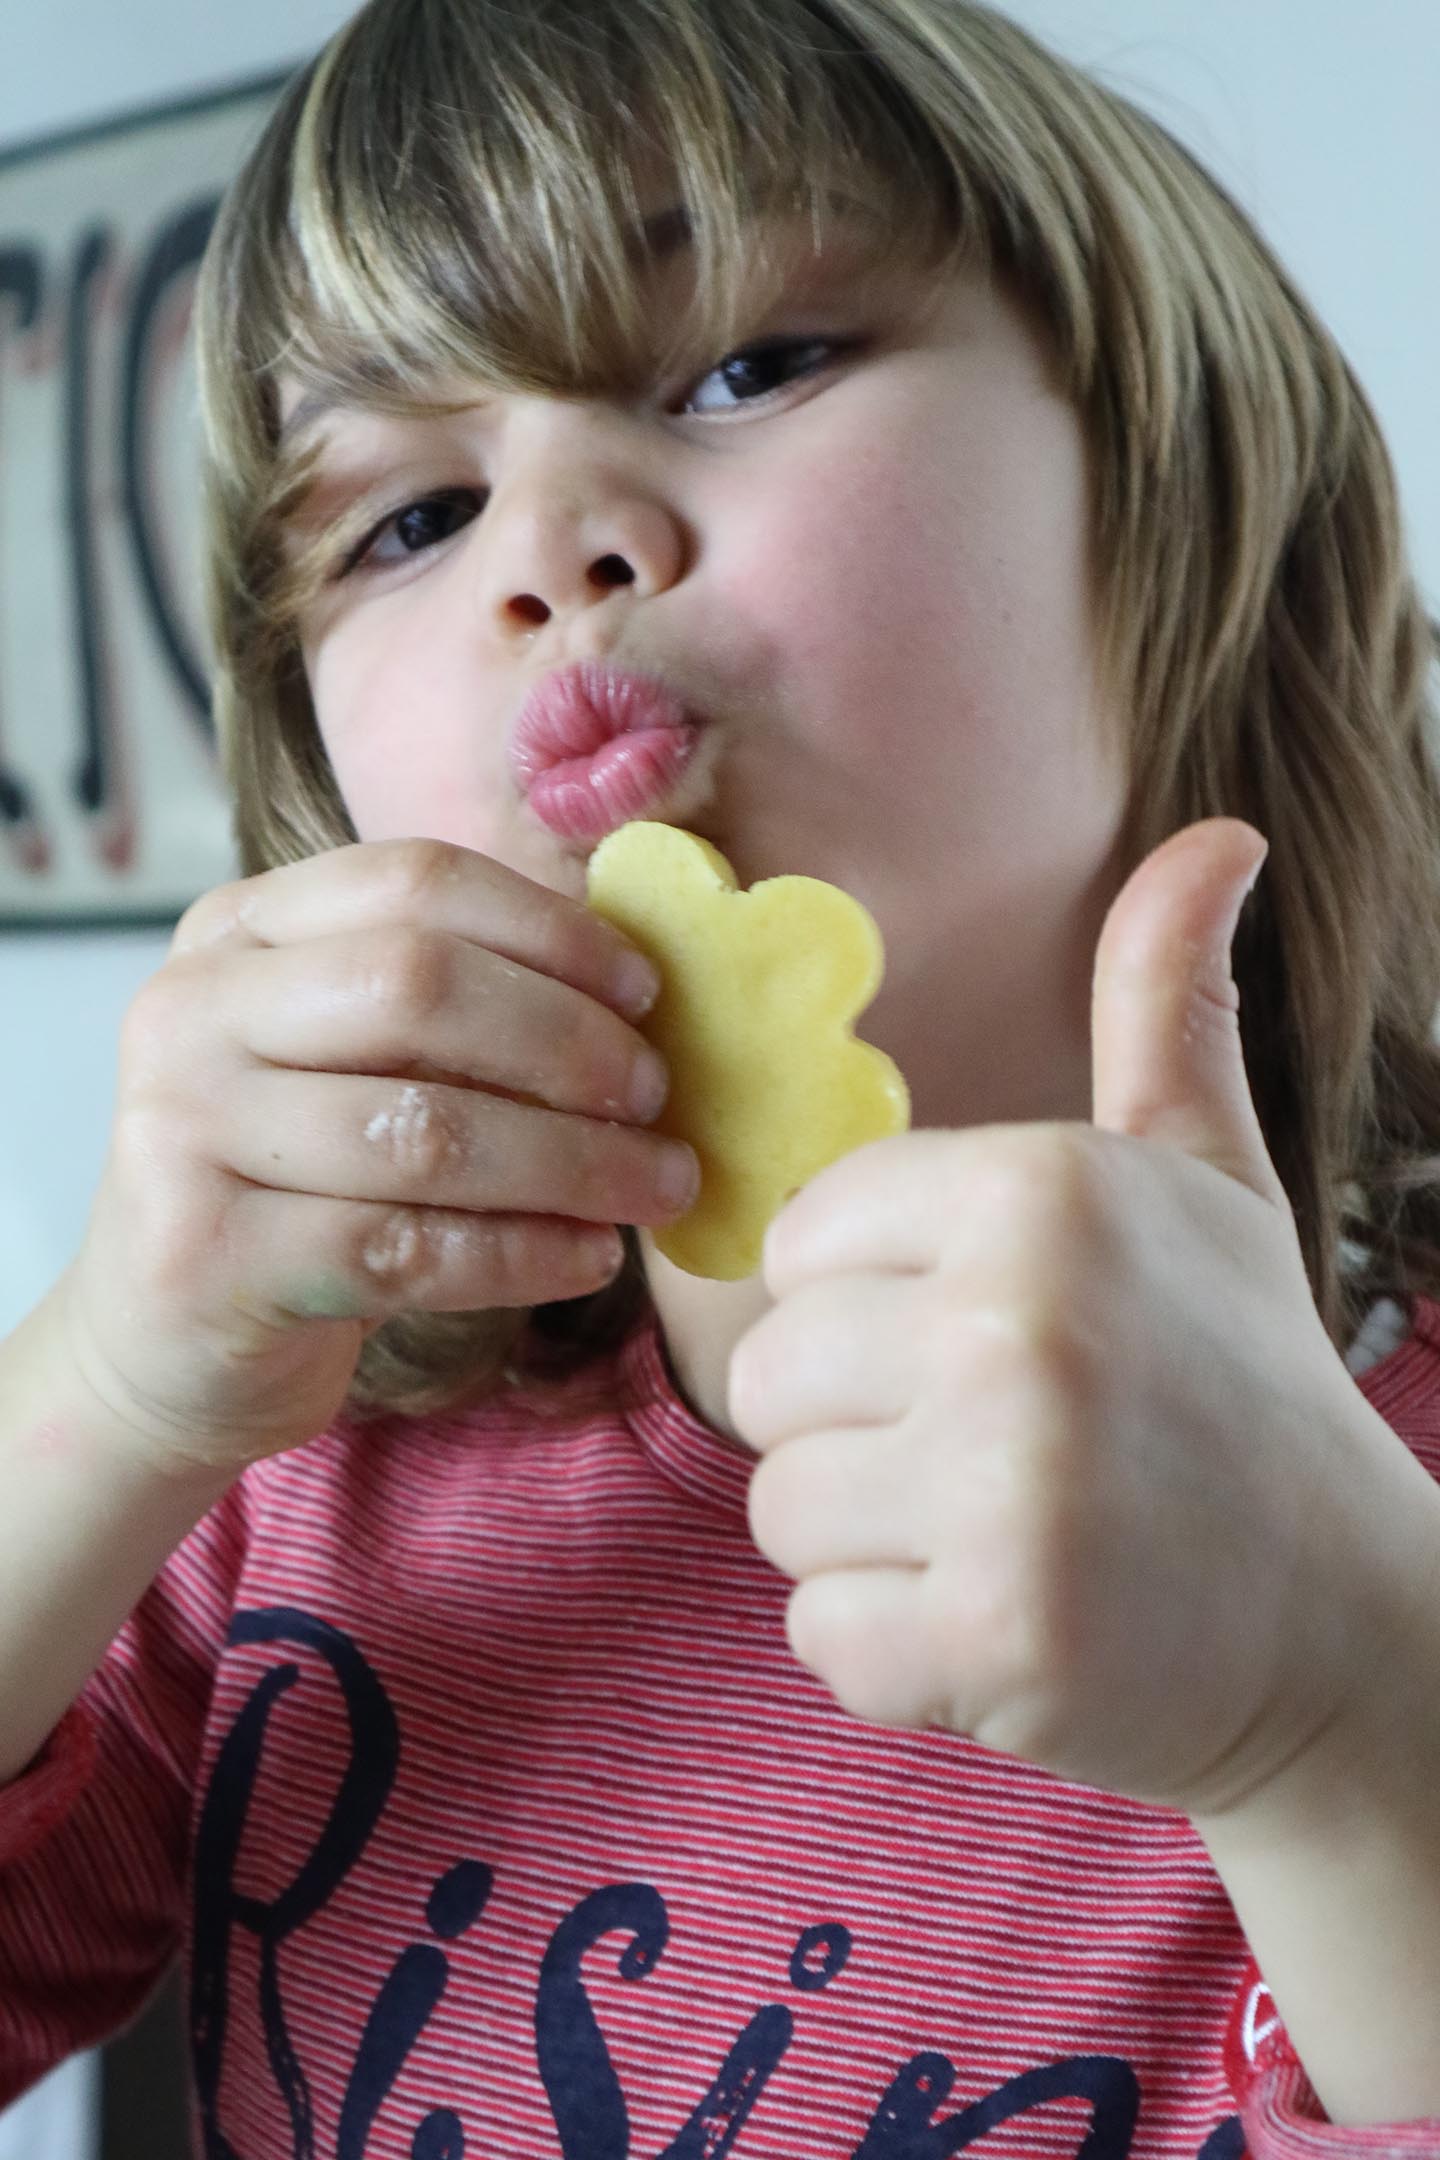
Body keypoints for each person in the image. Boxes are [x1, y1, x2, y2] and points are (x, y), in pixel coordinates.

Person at [4, 0, 1440, 2149]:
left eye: (749, 367)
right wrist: (103, 1401)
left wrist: (1352, 1715)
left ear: (1174, 483)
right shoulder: (279, 1486)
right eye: (407, 518)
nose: (548, 545)